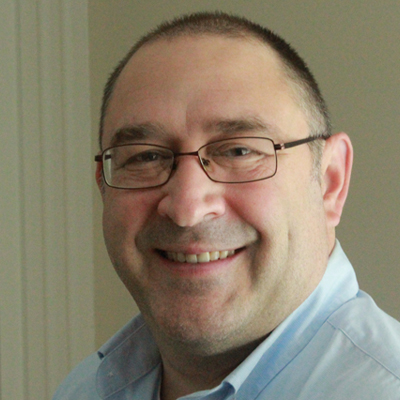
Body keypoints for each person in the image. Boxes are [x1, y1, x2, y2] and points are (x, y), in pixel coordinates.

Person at [53, 11, 400, 400]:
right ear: (103, 186)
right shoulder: (84, 389)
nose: (187, 208)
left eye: (238, 150)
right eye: (145, 157)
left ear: (330, 182)